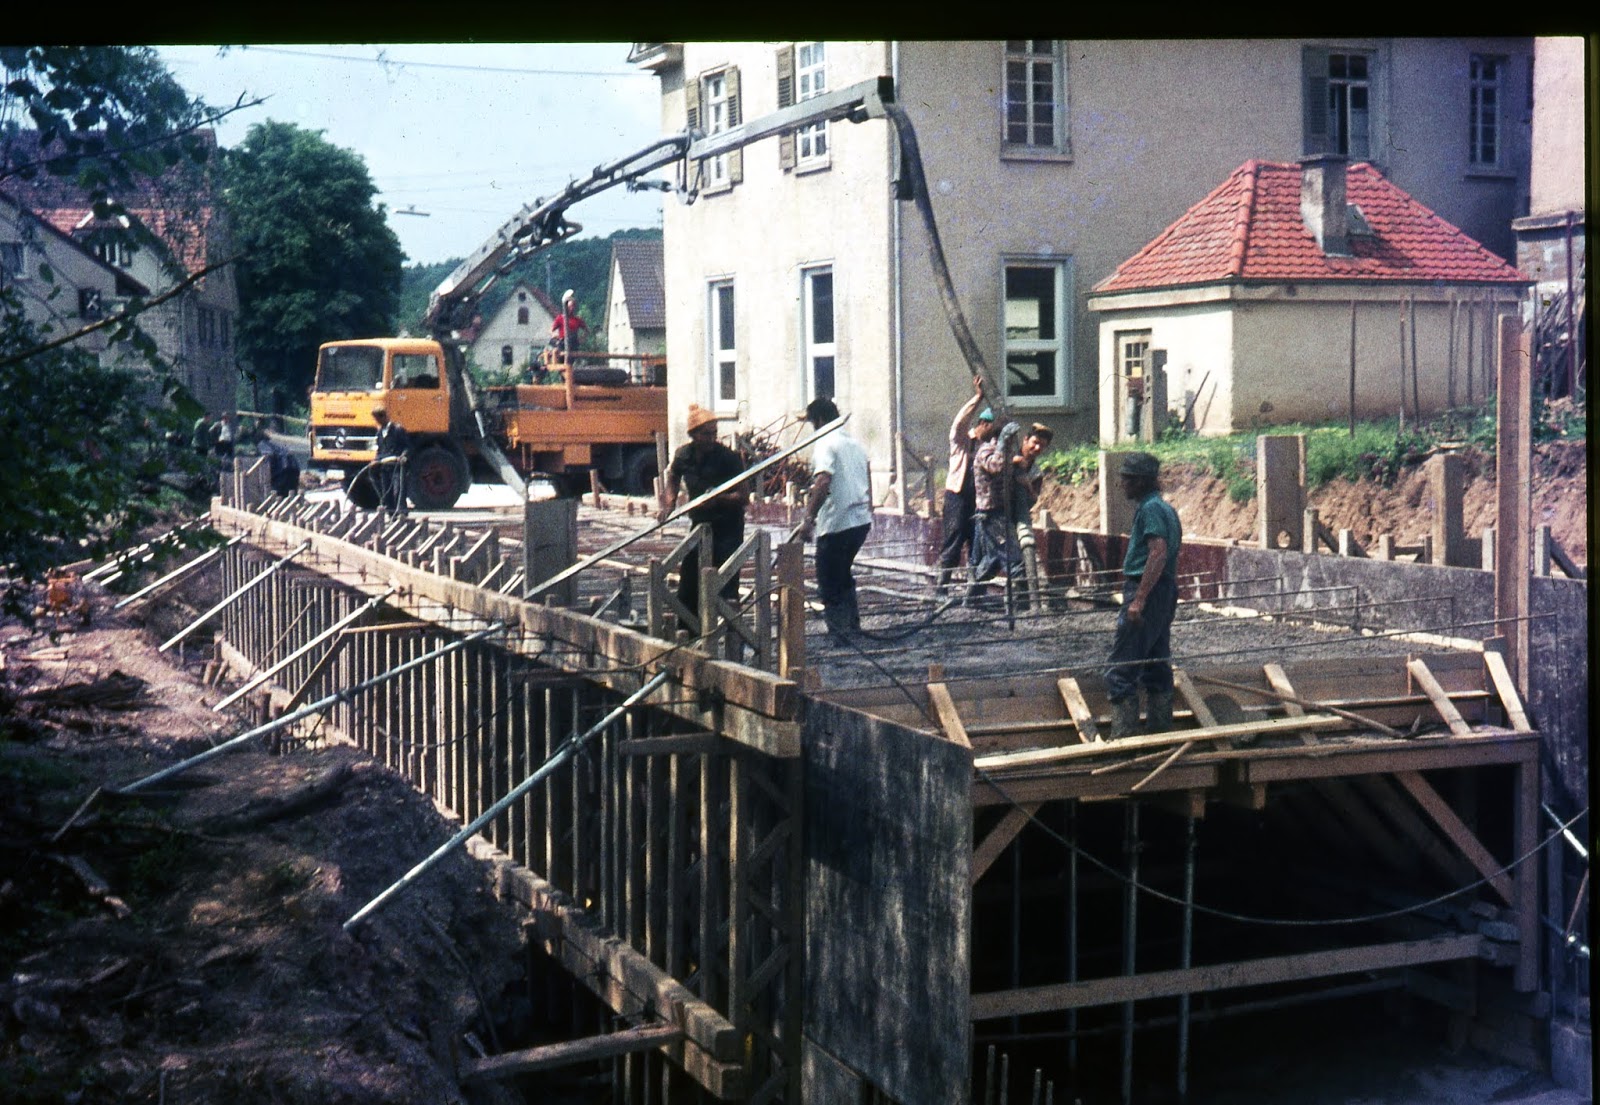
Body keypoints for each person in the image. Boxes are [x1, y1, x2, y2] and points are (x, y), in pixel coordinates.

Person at [1105, 451, 1183, 738]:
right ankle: (1160, 736)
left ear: (1141, 482)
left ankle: (1123, 742)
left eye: (1127, 479)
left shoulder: (1150, 510)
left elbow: (1158, 552)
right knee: (1156, 663)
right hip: (1164, 590)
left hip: (1147, 588)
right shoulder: (1165, 508)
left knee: (1122, 668)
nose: (1122, 484)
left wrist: (1139, 599)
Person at [660, 404, 750, 632]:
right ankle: (689, 634)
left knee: (725, 585)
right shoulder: (684, 455)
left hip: (727, 528)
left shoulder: (728, 458)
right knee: (689, 582)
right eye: (706, 434)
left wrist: (719, 499)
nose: (711, 438)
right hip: (700, 525)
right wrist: (669, 502)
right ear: (693, 435)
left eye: (714, 433)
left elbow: (743, 496)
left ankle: (730, 638)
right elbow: (672, 478)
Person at [798, 397, 872, 645]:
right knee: (842, 573)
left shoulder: (825, 443)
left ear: (818, 420)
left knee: (828, 578)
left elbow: (823, 482)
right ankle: (852, 628)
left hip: (838, 522)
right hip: (860, 520)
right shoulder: (854, 443)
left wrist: (808, 519)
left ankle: (841, 635)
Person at [936, 377, 997, 594]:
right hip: (957, 497)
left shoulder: (988, 446)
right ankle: (941, 589)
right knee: (953, 542)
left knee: (976, 545)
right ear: (983, 424)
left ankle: (975, 593)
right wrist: (978, 398)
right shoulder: (962, 440)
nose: (993, 434)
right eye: (992, 429)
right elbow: (959, 422)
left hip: (978, 501)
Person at [371, 407, 411, 514]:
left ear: (384, 417)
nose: (377, 422)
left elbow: (407, 447)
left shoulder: (397, 430)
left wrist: (403, 456)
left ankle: (401, 515)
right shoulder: (379, 433)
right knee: (386, 493)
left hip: (396, 466)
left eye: (378, 419)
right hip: (384, 467)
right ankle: (391, 516)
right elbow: (380, 451)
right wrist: (375, 460)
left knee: (398, 491)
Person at [257, 429, 301, 495]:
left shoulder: (262, 444)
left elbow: (268, 455)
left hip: (283, 468)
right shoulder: (274, 444)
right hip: (293, 466)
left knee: (280, 492)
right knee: (291, 491)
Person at [549, 289, 588, 362]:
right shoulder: (560, 318)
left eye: (573, 306)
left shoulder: (577, 320)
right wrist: (555, 336)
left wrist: (581, 339)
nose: (572, 308)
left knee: (570, 360)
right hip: (563, 343)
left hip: (573, 344)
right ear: (566, 307)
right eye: (570, 306)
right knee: (554, 342)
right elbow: (551, 330)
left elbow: (587, 330)